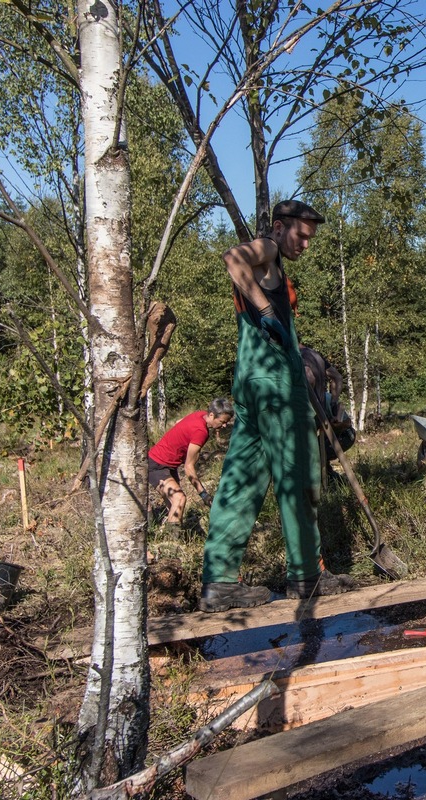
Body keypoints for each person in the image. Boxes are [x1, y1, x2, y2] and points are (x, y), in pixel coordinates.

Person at [199, 200, 355, 613]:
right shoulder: (266, 250)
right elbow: (234, 258)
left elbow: (277, 335)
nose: (305, 244)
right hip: (276, 388)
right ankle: (307, 575)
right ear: (280, 227)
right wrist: (266, 307)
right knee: (298, 478)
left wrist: (315, 359)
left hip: (250, 385)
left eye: (310, 239)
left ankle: (219, 582)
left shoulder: (276, 269)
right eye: (301, 235)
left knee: (241, 482)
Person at [147, 398, 234, 528]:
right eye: (222, 421)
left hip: (168, 464)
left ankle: (157, 531)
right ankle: (171, 545)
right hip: (157, 465)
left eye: (227, 422)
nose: (225, 426)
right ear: (211, 415)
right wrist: (204, 495)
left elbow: (178, 422)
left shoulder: (199, 414)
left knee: (173, 506)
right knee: (179, 499)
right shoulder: (201, 432)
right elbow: (189, 467)